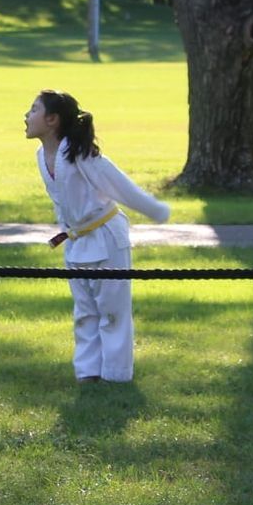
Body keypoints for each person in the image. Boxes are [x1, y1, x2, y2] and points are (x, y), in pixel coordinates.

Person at [25, 89, 171, 383]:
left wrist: (157, 211)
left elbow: (120, 186)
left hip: (106, 238)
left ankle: (116, 375)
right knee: (85, 312)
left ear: (52, 120)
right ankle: (88, 372)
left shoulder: (80, 154)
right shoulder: (42, 155)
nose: (26, 116)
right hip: (77, 242)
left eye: (33, 109)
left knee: (113, 312)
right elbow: (61, 201)